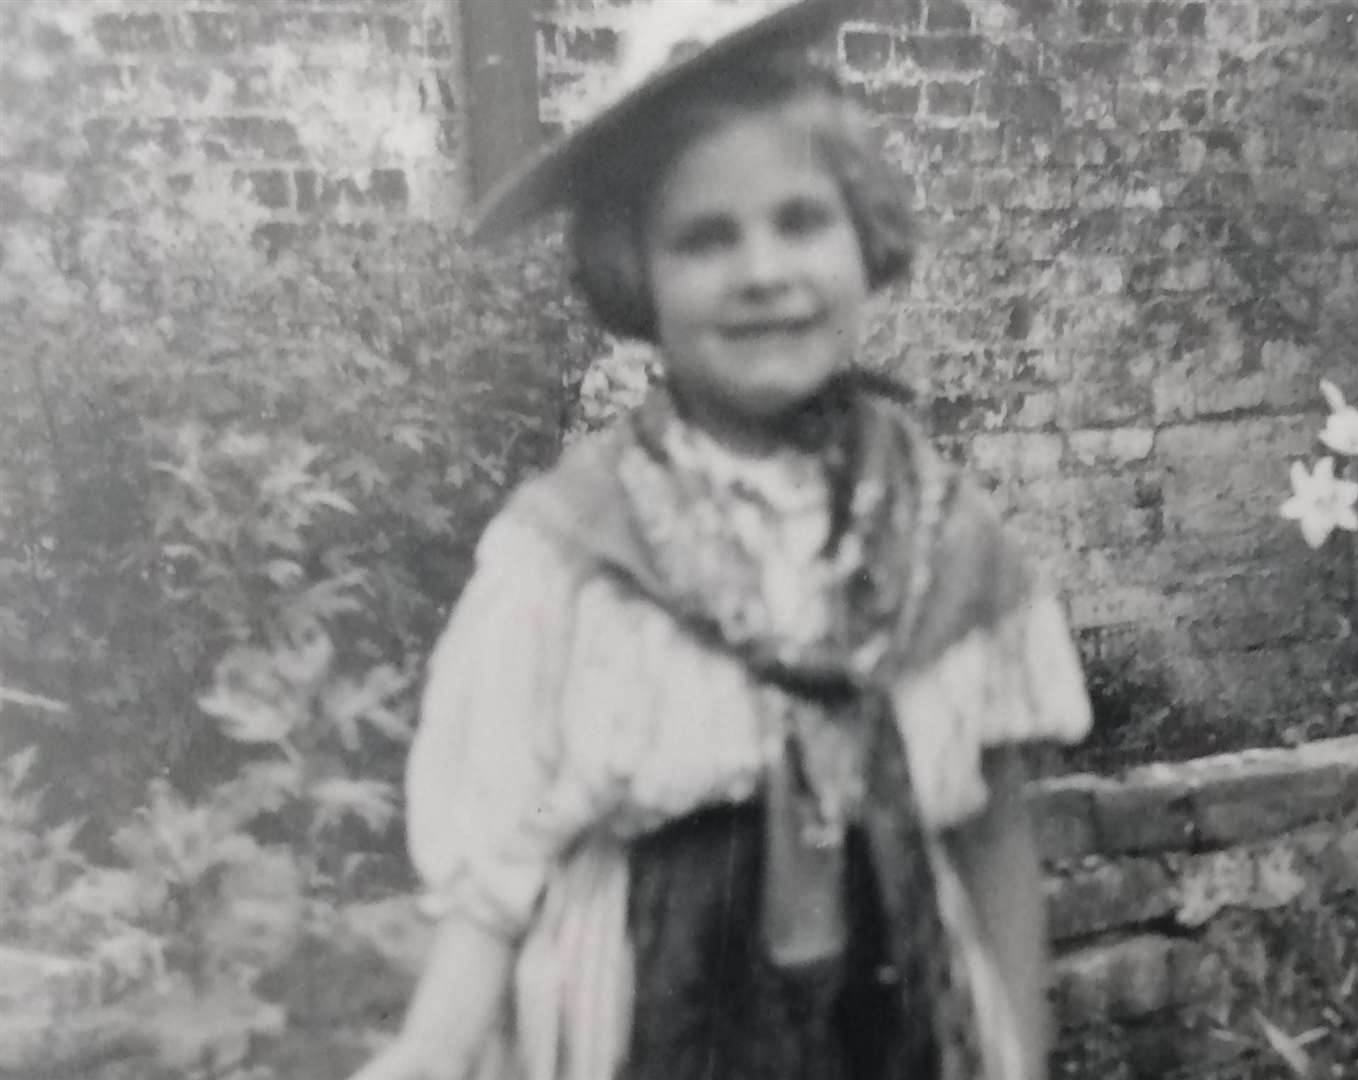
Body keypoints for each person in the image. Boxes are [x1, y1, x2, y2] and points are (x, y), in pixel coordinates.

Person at [350, 2, 1091, 1078]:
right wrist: (427, 1052)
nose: (762, 270)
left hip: (898, 1023)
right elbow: (504, 852)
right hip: (645, 1018)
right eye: (705, 238)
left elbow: (991, 831)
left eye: (801, 221)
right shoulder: (571, 554)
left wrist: (1018, 1054)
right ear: (633, 273)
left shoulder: (943, 537)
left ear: (865, 235)